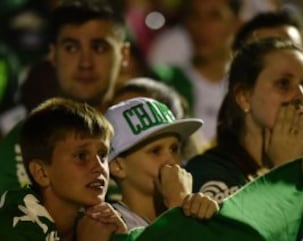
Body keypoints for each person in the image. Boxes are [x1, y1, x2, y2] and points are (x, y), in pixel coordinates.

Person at [186, 38, 303, 240]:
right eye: (284, 84)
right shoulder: (210, 172)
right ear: (244, 97)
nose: (300, 96)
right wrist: (283, 174)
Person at [0, 0, 129, 194]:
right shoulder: (26, 138)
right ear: (52, 54)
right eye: (71, 48)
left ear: (124, 54)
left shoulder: (146, 133)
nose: (85, 63)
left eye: (99, 48)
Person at [0, 97, 127, 241]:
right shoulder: (11, 229)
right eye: (81, 156)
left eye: (103, 155)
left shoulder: (98, 223)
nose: (99, 167)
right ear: (41, 173)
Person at [105, 97, 219, 230]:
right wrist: (178, 207)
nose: (171, 160)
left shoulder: (199, 210)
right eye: (155, 151)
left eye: (174, 149)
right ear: (118, 166)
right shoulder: (109, 226)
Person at [154, 0, 242, 146]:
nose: (202, 26)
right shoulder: (166, 83)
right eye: (195, 16)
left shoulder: (247, 84)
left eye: (214, 16)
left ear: (236, 24)